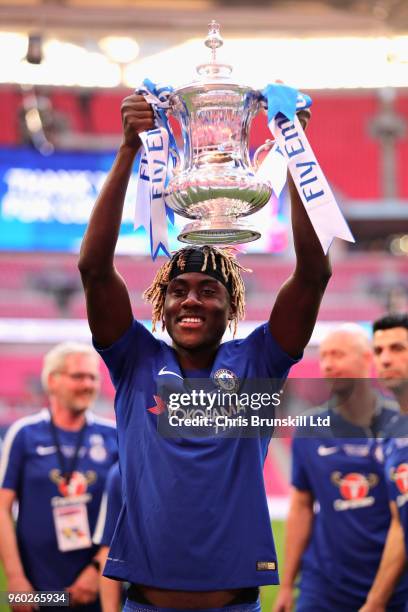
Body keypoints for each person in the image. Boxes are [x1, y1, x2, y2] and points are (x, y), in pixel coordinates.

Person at [78, 93, 331, 611]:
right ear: (162, 305)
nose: (191, 299)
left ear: (230, 305)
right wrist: (128, 149)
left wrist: (295, 151)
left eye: (208, 290)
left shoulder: (259, 363)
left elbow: (313, 274)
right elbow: (94, 269)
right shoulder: (135, 361)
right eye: (178, 289)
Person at [273, 327, 408, 612]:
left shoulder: (398, 424)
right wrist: (286, 585)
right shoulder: (310, 427)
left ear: (367, 359)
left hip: (391, 585)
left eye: (338, 354)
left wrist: (377, 600)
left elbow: (402, 519)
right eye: (323, 356)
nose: (329, 364)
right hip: (322, 587)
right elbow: (301, 506)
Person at [0, 342, 118, 612]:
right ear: (52, 381)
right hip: (34, 592)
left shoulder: (113, 436)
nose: (88, 384)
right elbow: (2, 508)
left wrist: (98, 567)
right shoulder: (24, 434)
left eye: (93, 377)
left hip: (95, 587)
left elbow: (127, 512)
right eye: (78, 376)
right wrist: (16, 580)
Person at [361, 313, 408, 612]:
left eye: (398, 349)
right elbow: (400, 524)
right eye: (379, 351)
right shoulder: (391, 435)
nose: (386, 359)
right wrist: (375, 602)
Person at [93, 462, 124, 612]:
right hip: (37, 585)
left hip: (91, 578)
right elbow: (109, 547)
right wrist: (16, 577)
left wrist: (92, 571)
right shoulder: (122, 472)